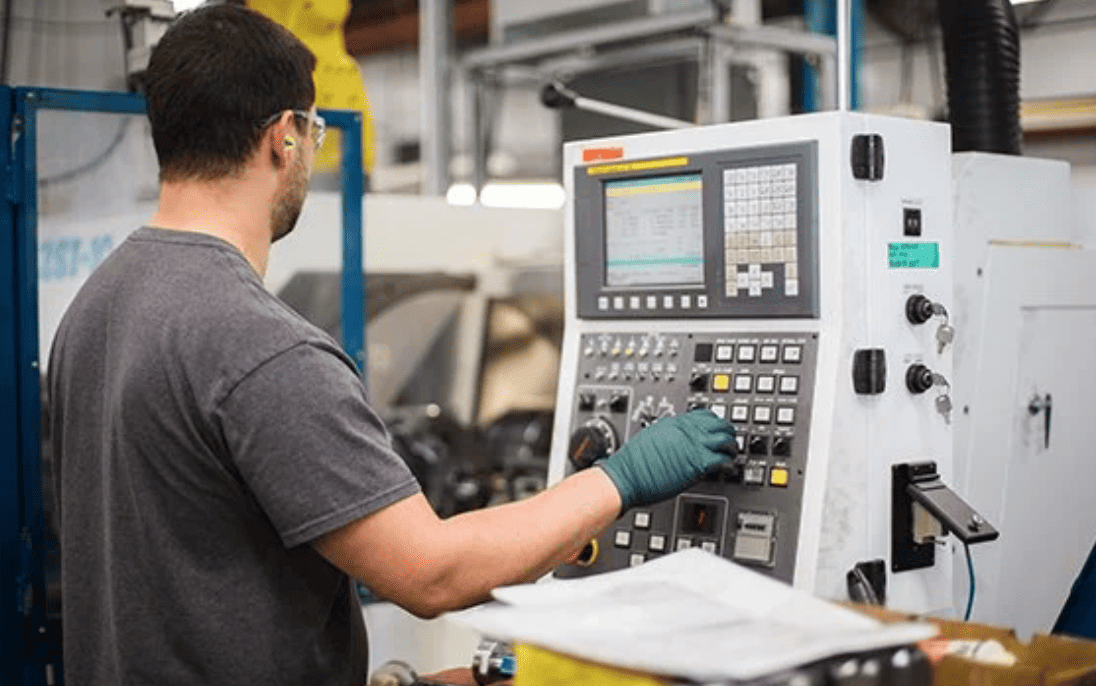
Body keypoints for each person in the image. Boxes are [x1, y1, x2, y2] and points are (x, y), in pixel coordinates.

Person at [46, 5, 736, 686]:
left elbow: (186, 575)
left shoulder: (95, 307)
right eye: (314, 131)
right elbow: (432, 573)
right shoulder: (261, 345)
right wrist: (619, 480)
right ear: (283, 137)